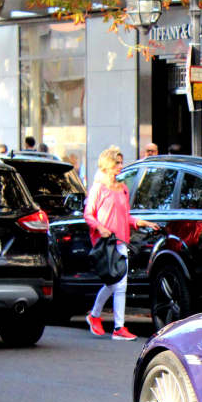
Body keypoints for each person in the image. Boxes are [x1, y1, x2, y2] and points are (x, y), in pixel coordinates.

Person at [82, 146, 156, 341]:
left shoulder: (122, 189)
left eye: (121, 163)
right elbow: (88, 214)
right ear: (108, 165)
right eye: (117, 163)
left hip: (122, 240)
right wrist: (99, 227)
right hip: (106, 243)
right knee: (116, 283)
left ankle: (103, 320)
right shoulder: (98, 188)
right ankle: (113, 325)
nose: (121, 167)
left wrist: (139, 222)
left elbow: (126, 215)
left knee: (118, 283)